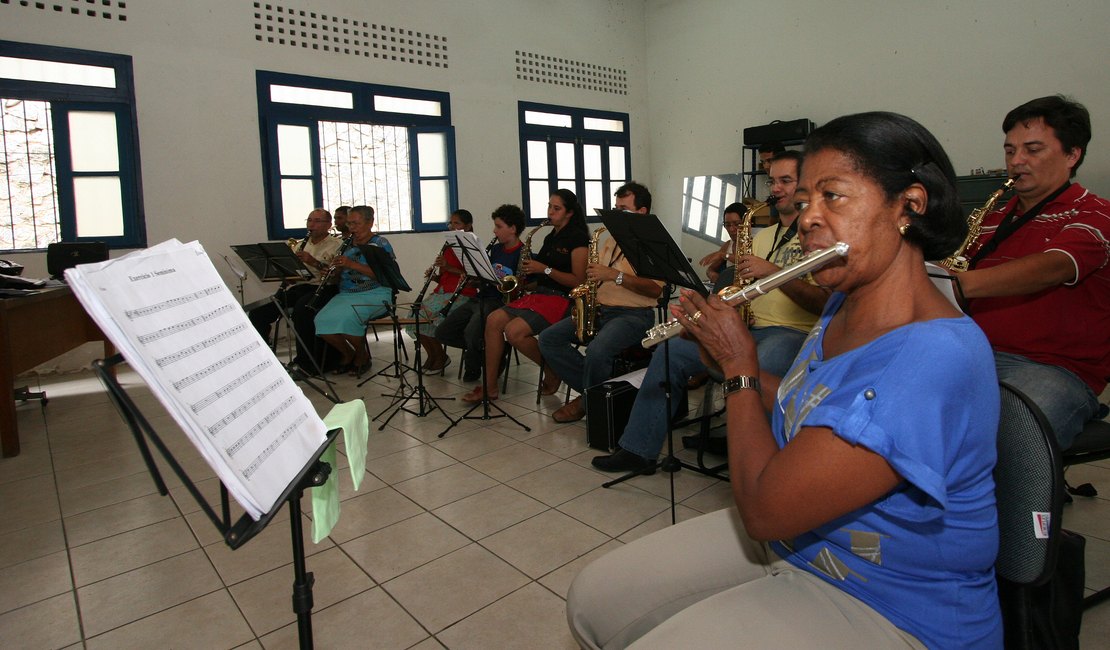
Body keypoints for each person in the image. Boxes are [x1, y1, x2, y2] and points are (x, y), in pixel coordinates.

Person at [568, 111, 1002, 649]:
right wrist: (719, 354)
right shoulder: (844, 301)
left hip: (896, 604)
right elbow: (813, 407)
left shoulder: (932, 357)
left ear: (908, 206)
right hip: (807, 542)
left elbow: (765, 511)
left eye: (833, 197)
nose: (806, 221)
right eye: (803, 204)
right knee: (596, 598)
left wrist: (742, 370)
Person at [591, 151, 830, 473]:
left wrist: (771, 271)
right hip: (749, 326)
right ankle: (637, 450)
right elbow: (742, 292)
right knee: (669, 352)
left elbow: (824, 302)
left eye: (785, 180)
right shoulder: (763, 236)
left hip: (793, 332)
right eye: (773, 181)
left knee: (761, 367)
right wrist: (708, 312)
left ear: (806, 185)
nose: (775, 188)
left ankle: (761, 468)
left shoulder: (820, 235)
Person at [956, 95, 1109, 450]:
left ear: (1073, 155)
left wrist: (962, 284)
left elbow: (1054, 266)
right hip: (975, 355)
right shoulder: (991, 217)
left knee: (1011, 437)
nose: (1017, 161)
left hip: (1054, 370)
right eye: (1010, 151)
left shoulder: (1097, 214)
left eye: (1033, 150)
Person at [538, 182, 664, 422]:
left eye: (623, 209)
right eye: (615, 208)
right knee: (548, 338)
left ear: (642, 212)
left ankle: (587, 401)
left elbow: (654, 290)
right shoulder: (610, 239)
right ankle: (594, 392)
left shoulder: (653, 244)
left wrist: (614, 276)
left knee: (597, 351)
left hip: (633, 315)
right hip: (601, 309)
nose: (616, 214)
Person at [461, 189, 588, 403]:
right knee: (493, 320)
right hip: (541, 294)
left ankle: (551, 369)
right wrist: (525, 282)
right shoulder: (550, 236)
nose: (550, 212)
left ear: (570, 213)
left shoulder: (579, 239)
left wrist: (544, 269)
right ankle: (490, 387)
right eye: (549, 206)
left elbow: (579, 281)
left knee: (514, 332)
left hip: (563, 299)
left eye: (556, 208)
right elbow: (543, 276)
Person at [436, 204, 525, 382]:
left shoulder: (522, 253)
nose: (494, 231)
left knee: (471, 332)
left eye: (498, 227)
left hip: (499, 302)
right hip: (481, 297)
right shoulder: (497, 249)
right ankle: (493, 348)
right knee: (443, 332)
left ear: (513, 229)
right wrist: (474, 279)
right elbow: (487, 274)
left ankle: (474, 367)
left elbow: (521, 286)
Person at [314, 205, 394, 376]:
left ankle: (362, 356)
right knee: (321, 321)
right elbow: (339, 274)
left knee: (348, 319)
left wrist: (351, 264)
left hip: (377, 293)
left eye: (356, 224)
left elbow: (385, 275)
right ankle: (349, 353)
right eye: (350, 224)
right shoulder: (346, 244)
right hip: (347, 294)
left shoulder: (380, 244)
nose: (352, 228)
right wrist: (332, 272)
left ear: (370, 222)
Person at [247, 208, 342, 345]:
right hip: (301, 288)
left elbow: (336, 275)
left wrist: (313, 262)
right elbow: (293, 276)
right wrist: (285, 273)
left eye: (317, 221)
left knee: (301, 311)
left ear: (328, 225)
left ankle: (305, 360)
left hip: (325, 289)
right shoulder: (298, 245)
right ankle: (265, 353)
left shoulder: (337, 245)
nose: (311, 225)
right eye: (309, 220)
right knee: (258, 313)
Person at [404, 209, 477, 374]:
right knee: (414, 316)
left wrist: (447, 266)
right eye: (451, 223)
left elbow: (474, 274)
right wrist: (435, 276)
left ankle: (440, 358)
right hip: (443, 291)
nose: (452, 226)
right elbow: (447, 275)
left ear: (469, 225)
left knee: (431, 318)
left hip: (463, 293)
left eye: (456, 223)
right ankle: (435, 355)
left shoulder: (472, 245)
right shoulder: (449, 245)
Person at [698, 202, 748, 287]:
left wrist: (723, 255)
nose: (731, 229)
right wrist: (713, 275)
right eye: (727, 225)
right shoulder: (728, 245)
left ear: (746, 223)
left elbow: (747, 261)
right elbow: (710, 269)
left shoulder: (756, 240)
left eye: (737, 224)